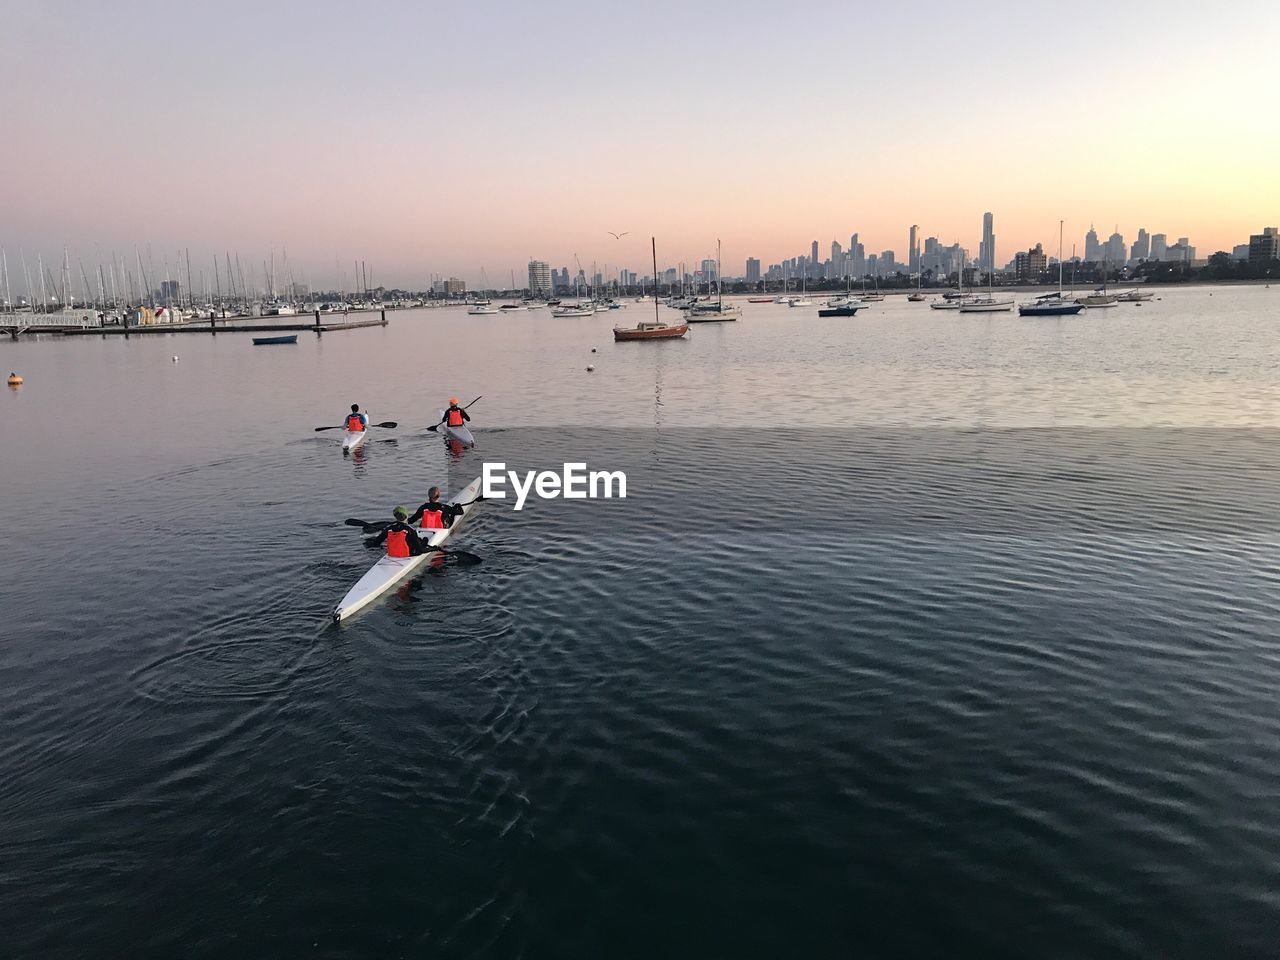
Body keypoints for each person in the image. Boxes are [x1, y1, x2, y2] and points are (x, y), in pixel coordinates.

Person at [365, 507, 434, 557]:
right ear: (407, 516)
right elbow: (421, 550)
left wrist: (368, 542)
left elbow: (376, 542)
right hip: (407, 555)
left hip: (392, 555)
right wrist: (434, 548)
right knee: (421, 541)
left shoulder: (389, 529)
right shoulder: (410, 530)